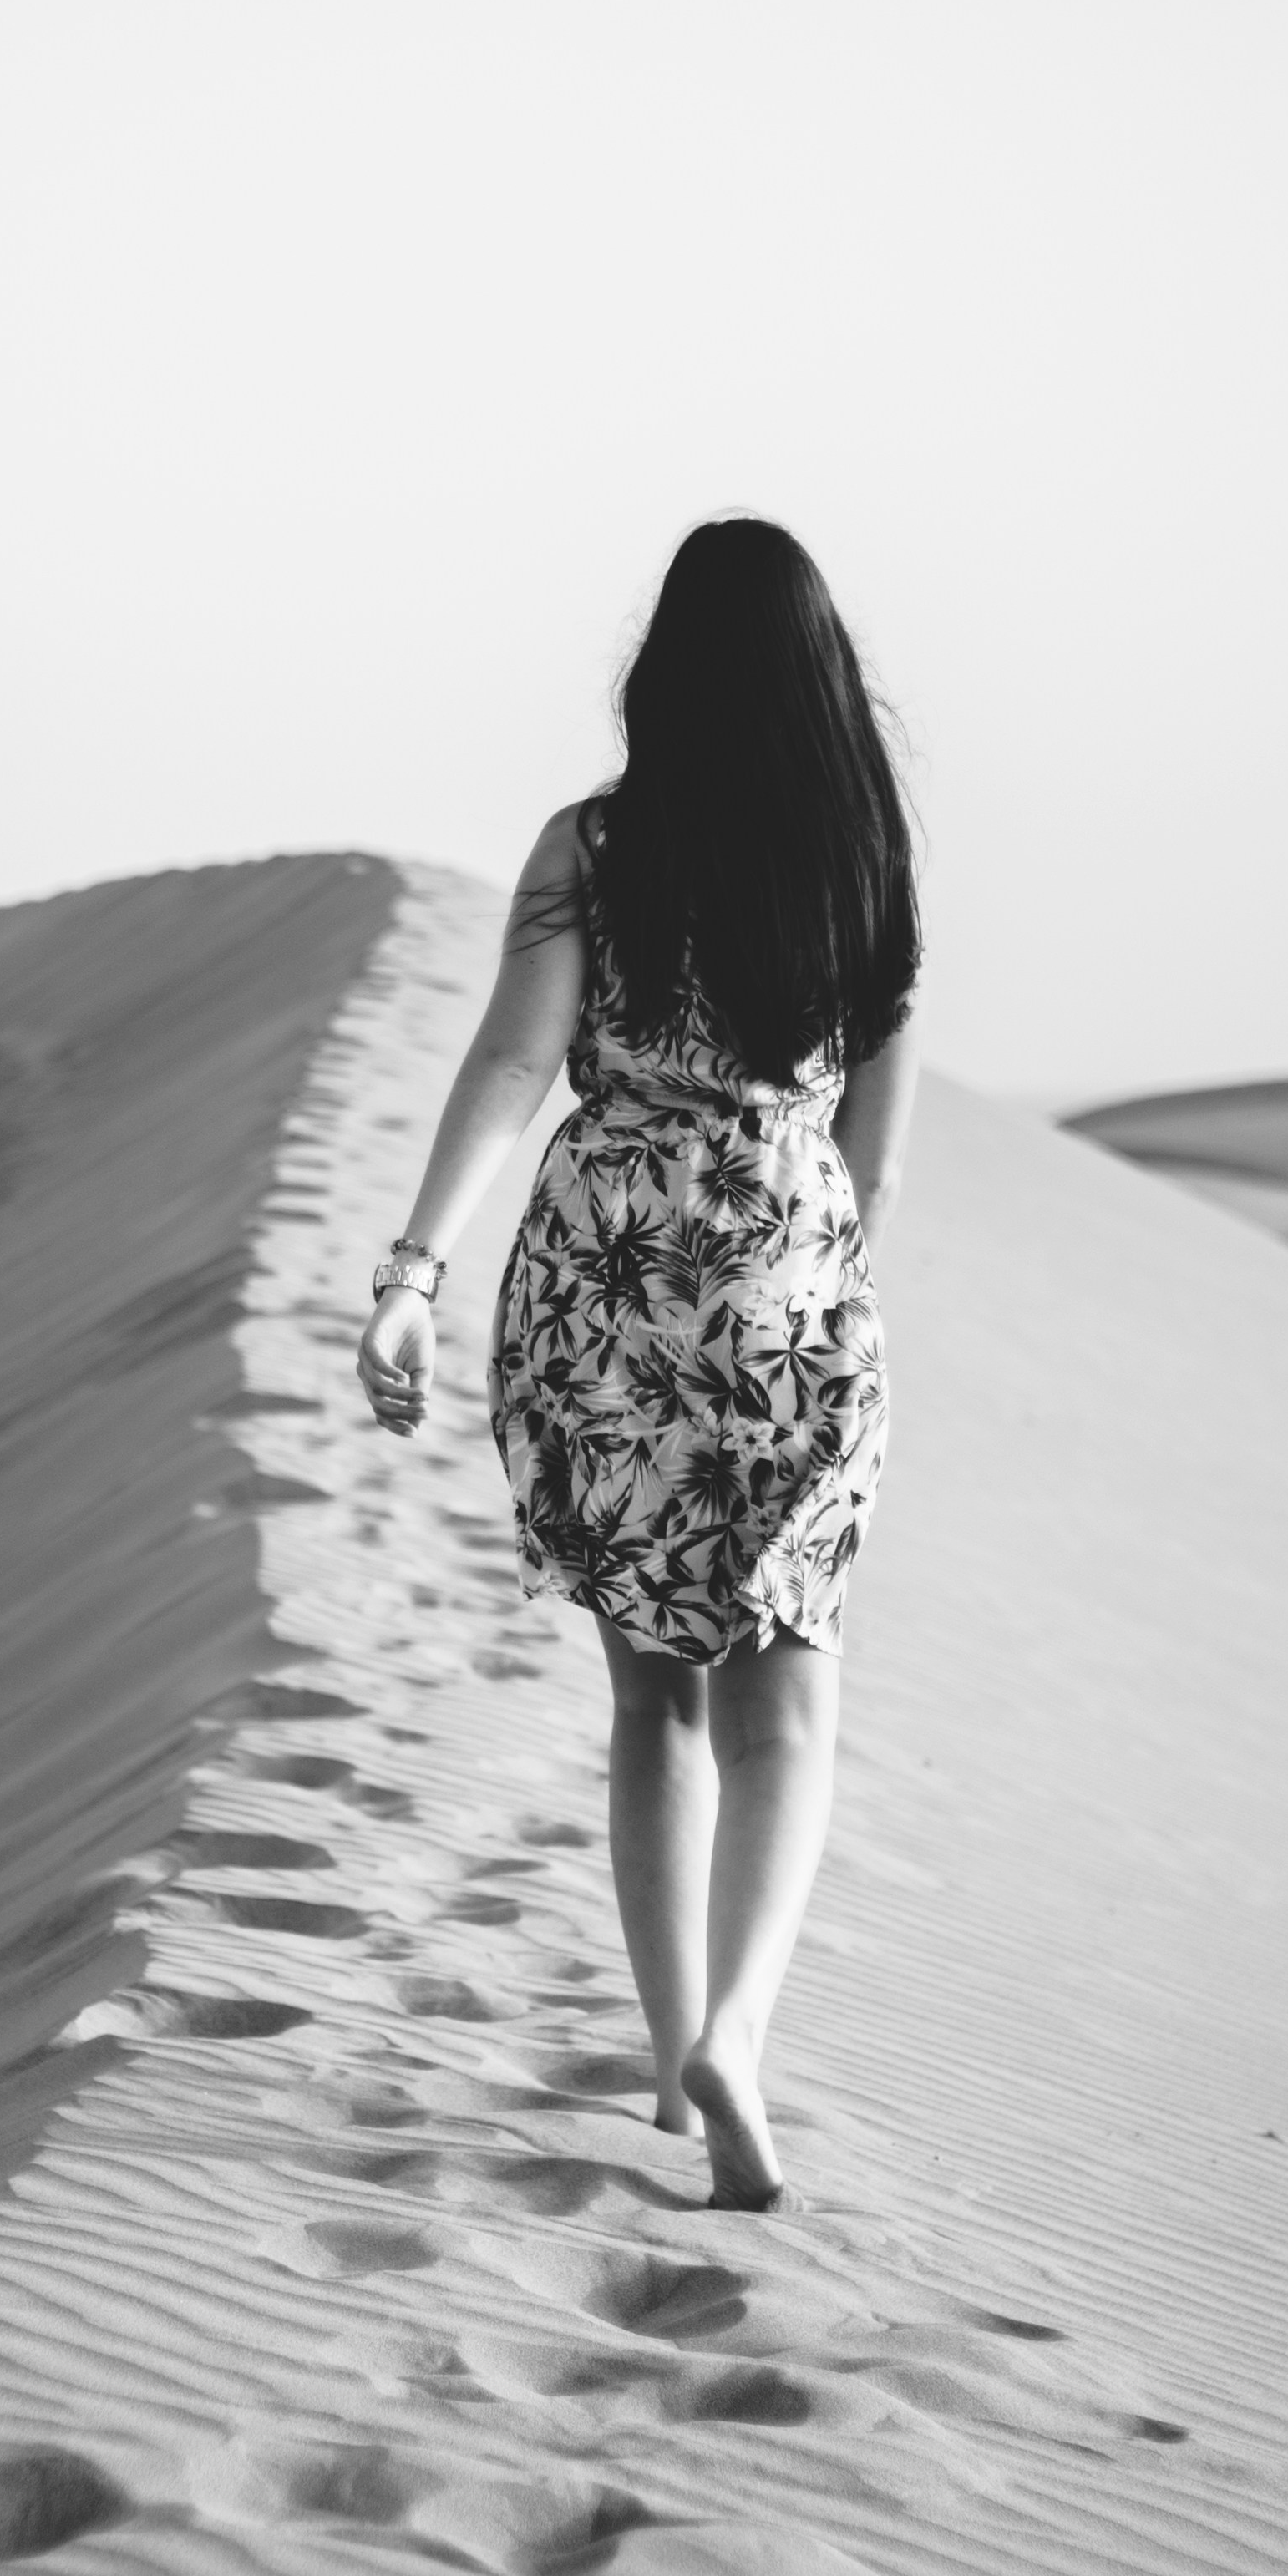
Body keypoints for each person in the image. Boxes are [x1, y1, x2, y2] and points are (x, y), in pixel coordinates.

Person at [353, 520, 921, 2208]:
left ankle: (674, 2067)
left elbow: (517, 1054)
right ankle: (736, 2029)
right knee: (785, 1691)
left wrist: (410, 1272)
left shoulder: (593, 846)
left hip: (599, 1293)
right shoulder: (862, 858)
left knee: (650, 1702)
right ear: (825, 682)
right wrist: (805, 1295)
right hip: (788, 1294)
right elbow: (873, 1154)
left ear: (659, 667)